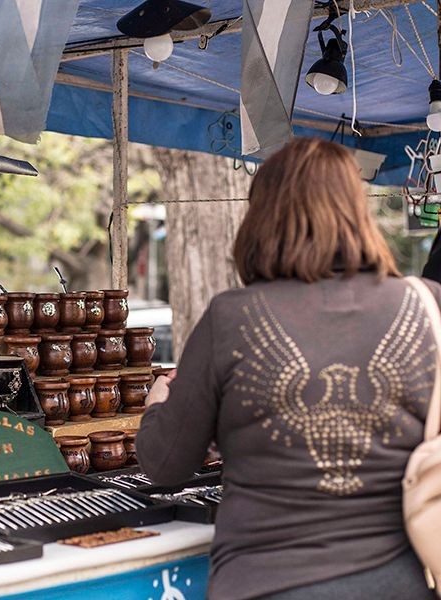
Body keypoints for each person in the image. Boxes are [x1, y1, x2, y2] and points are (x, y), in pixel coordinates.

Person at [137, 137, 439, 600]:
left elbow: (164, 463)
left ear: (262, 219)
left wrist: (157, 406)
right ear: (357, 212)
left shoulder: (233, 317)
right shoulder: (427, 308)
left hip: (263, 583)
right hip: (398, 584)